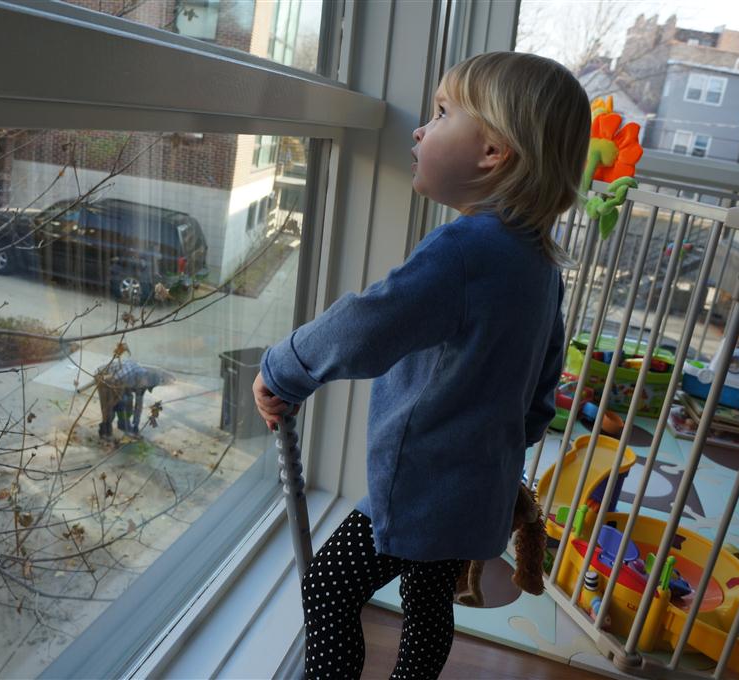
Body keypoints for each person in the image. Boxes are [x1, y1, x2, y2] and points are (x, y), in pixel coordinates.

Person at [252, 51, 591, 678]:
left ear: (492, 151)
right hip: (480, 485)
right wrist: (503, 450)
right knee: (429, 604)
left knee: (327, 587)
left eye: (440, 114)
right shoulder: (538, 261)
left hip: (423, 488)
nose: (418, 129)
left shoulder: (464, 249)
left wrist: (283, 368)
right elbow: (544, 380)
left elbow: (368, 323)